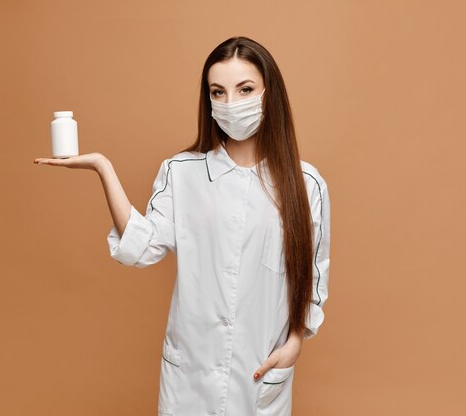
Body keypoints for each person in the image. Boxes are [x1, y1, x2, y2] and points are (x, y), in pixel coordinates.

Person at [34, 36, 331, 416]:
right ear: (208, 101)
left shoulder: (306, 185)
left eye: (245, 89)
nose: (231, 103)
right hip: (189, 375)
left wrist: (294, 343)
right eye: (218, 92)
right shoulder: (181, 172)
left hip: (260, 372)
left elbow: (312, 278)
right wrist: (102, 168)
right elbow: (141, 248)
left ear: (269, 94)